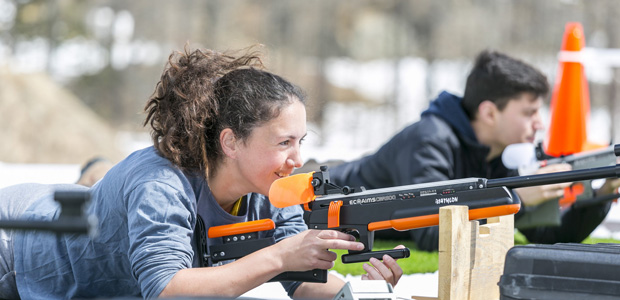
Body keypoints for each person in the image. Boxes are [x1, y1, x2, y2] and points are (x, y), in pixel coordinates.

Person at [0, 46, 404, 299]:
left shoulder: (272, 189)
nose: (297, 159)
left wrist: (369, 288)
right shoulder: (160, 183)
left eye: (301, 141)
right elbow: (168, 289)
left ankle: (96, 174)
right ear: (230, 142)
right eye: (283, 143)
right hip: (15, 251)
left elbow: (299, 280)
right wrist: (280, 254)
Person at [327, 49, 620, 251]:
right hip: (318, 202)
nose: (539, 124)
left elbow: (547, 235)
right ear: (490, 113)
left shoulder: (495, 152)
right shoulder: (429, 141)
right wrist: (516, 199)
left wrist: (602, 193)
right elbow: (431, 233)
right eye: (529, 113)